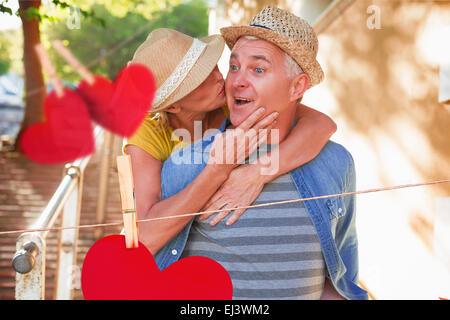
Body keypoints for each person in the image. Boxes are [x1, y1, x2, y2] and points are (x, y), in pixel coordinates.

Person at [153, 7, 369, 300]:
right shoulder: (183, 165)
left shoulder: (336, 163)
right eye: (234, 66)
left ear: (297, 86)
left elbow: (340, 270)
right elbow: (150, 256)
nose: (237, 81)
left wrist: (259, 171)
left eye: (258, 69)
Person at [124, 28, 337, 254]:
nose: (220, 78)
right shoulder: (145, 132)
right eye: (200, 79)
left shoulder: (231, 102)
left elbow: (321, 124)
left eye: (212, 65)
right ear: (173, 106)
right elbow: (144, 238)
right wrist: (218, 170)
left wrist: (257, 172)